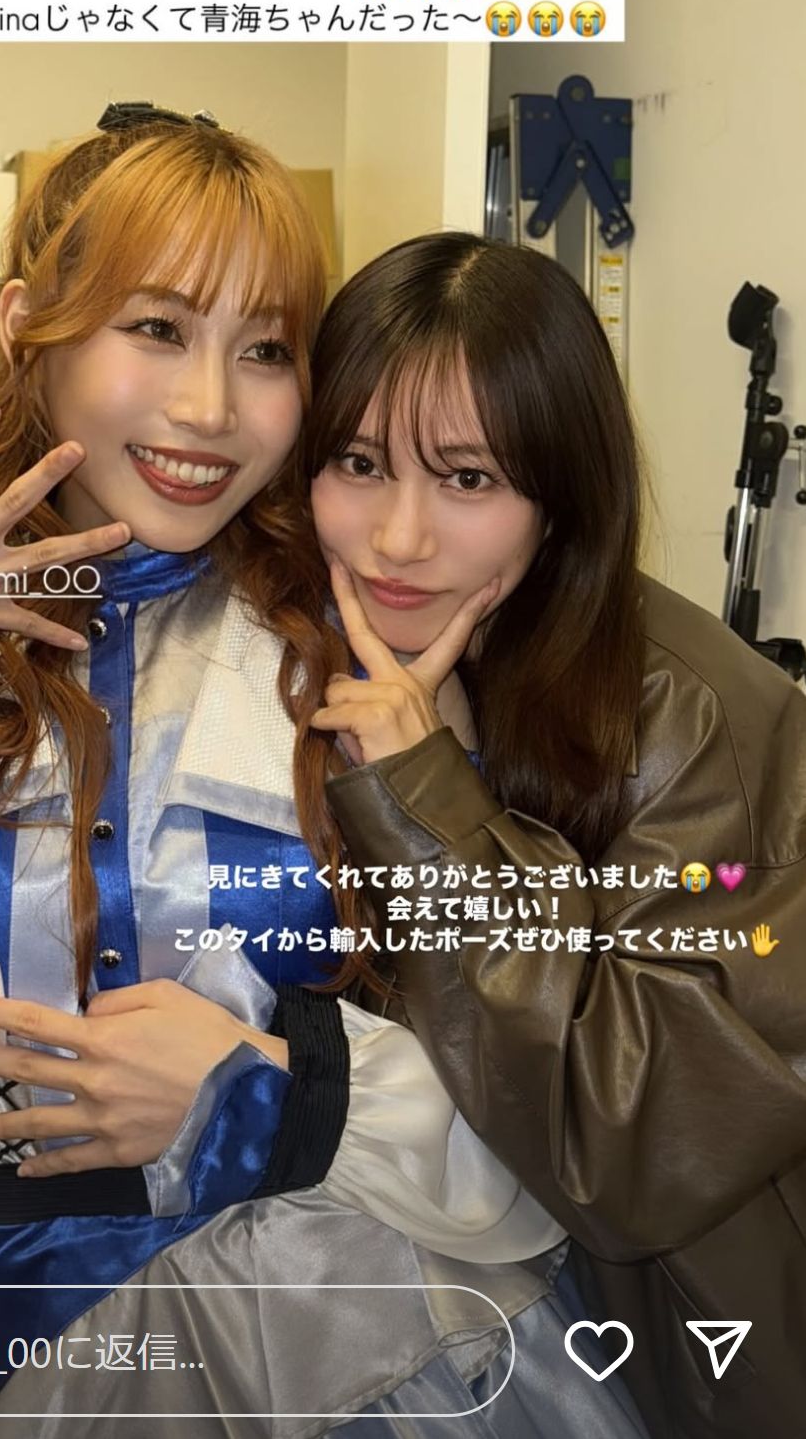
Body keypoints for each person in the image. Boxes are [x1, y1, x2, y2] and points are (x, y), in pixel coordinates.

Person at [0, 114, 640, 1435]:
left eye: (265, 349)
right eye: (157, 328)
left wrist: (272, 1092)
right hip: (75, 1367)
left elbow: (534, 1103)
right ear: (28, 325)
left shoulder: (362, 641)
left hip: (387, 1358)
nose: (208, 409)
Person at [272, 230, 806, 1438]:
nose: (398, 538)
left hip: (676, 1357)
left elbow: (636, 1137)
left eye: (466, 478)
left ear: (560, 495)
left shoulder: (692, 722)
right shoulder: (383, 648)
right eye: (358, 462)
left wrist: (428, 807)